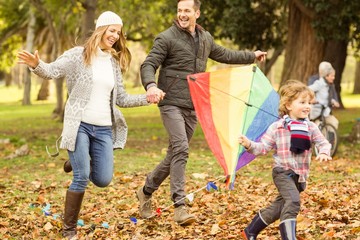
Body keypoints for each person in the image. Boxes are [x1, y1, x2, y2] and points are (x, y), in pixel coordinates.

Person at [18, 11, 162, 239]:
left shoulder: (113, 63)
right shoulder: (78, 55)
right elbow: (52, 71)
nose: (115, 35)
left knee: (103, 179)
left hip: (104, 130)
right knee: (82, 176)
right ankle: (69, 230)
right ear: (100, 29)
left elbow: (122, 99)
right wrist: (37, 65)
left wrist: (148, 97)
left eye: (118, 32)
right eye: (112, 30)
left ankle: (75, 161)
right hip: (80, 126)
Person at [136, 0, 267, 226]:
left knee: (175, 153)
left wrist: (251, 56)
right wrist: (151, 86)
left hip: (193, 104)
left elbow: (225, 54)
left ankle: (146, 190)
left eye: (187, 11)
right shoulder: (166, 37)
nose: (182, 14)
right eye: (179, 11)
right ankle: (180, 206)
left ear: (197, 13)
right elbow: (148, 64)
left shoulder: (205, 38)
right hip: (170, 103)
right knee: (181, 149)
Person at [238, 80, 332, 239]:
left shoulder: (311, 127)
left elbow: (324, 143)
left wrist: (323, 152)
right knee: (293, 202)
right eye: (302, 102)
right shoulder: (278, 127)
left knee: (279, 207)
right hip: (282, 172)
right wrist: (248, 144)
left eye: (309, 102)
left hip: (300, 177)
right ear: (288, 105)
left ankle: (250, 231)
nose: (307, 106)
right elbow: (263, 148)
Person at [308, 61, 340, 129]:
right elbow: (308, 89)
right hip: (316, 111)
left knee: (334, 123)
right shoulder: (317, 81)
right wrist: (312, 98)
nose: (333, 78)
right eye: (332, 76)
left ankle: (331, 139)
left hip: (325, 111)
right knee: (317, 127)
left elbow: (330, 95)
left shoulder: (330, 84)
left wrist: (334, 101)